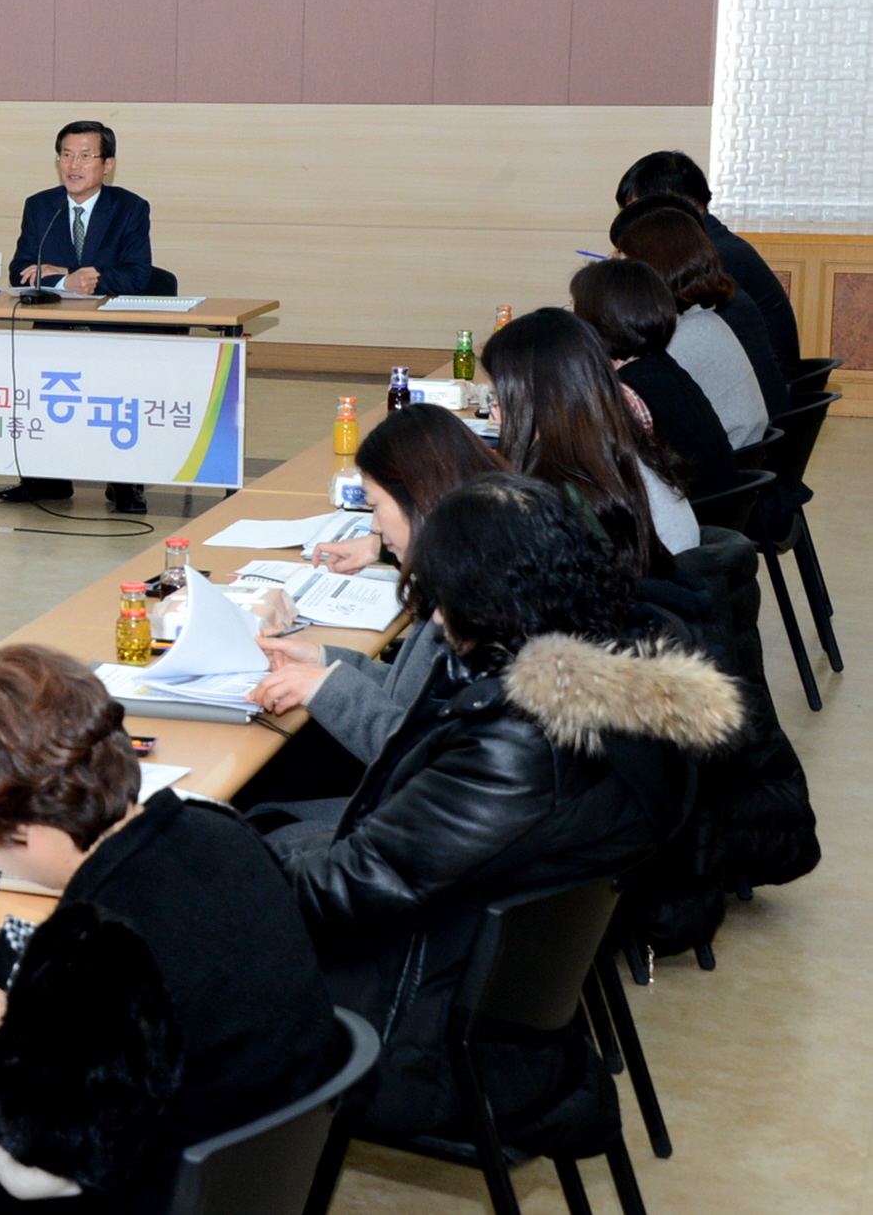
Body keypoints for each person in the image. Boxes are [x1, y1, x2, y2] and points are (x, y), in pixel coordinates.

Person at [279, 475, 744, 1155]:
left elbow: (347, 890)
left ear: (483, 601)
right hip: (479, 991)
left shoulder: (519, 746)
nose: (433, 617)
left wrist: (227, 861)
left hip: (412, 1034)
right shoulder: (613, 687)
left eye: (439, 596)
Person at [0, 645, 342, 1215]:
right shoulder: (214, 826)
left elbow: (31, 1174)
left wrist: (15, 1041)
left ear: (24, 831)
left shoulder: (97, 943)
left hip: (146, 1192)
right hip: (245, 1172)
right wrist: (14, 964)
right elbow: (157, 984)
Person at [247, 405, 500, 766]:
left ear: (420, 497)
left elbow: (421, 755)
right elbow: (410, 692)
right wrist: (320, 659)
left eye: (376, 506)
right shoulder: (470, 567)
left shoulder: (473, 604)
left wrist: (324, 687)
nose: (375, 527)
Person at [0, 121, 155, 512]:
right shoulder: (41, 206)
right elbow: (20, 271)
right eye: (66, 155)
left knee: (118, 394)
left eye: (86, 156)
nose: (74, 164)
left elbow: (138, 275)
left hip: (112, 329)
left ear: (108, 164)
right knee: (37, 385)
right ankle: (46, 478)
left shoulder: (130, 208)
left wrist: (85, 277)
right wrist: (65, 281)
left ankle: (124, 481)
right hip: (56, 327)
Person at [478, 307, 698, 563]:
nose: (494, 417)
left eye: (499, 399)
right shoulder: (617, 448)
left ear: (535, 400)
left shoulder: (564, 494)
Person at [569, 259, 745, 497]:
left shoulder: (627, 392)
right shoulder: (662, 365)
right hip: (713, 507)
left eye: (576, 307)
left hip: (689, 512)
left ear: (598, 318)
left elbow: (603, 478)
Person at [613, 150, 799, 374]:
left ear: (666, 204)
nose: (633, 224)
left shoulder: (708, 256)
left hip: (763, 383)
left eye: (636, 210)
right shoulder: (714, 241)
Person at [614, 200, 789, 428]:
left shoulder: (683, 341)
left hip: (732, 445)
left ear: (654, 268)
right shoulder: (701, 318)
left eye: (627, 263)